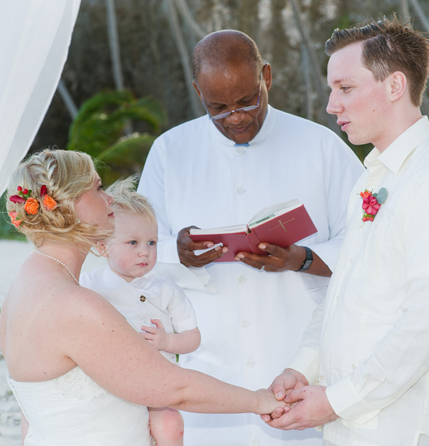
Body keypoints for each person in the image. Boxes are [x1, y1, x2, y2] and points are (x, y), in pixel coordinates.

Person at [263, 17, 429, 446]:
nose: (332, 105)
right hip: (353, 429)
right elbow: (343, 295)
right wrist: (303, 368)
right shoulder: (372, 180)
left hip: (404, 432)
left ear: (394, 86)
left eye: (345, 88)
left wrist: (335, 400)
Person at [137, 30, 364, 445]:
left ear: (267, 77)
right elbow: (134, 247)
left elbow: (369, 245)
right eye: (218, 108)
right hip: (207, 370)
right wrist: (177, 251)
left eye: (247, 101)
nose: (236, 117)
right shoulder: (170, 152)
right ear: (197, 92)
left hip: (298, 362)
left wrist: (302, 258)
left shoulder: (321, 147)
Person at [0, 149, 285, 446]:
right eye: (97, 188)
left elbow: (30, 414)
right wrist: (258, 401)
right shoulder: (74, 304)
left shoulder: (22, 287)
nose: (109, 199)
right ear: (70, 204)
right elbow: (174, 388)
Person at [80, 176, 200, 446]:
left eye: (152, 243)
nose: (144, 252)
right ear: (102, 246)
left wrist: (168, 341)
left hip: (158, 385)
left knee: (171, 424)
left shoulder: (166, 290)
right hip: (109, 385)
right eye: (132, 243)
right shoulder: (91, 285)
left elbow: (193, 336)